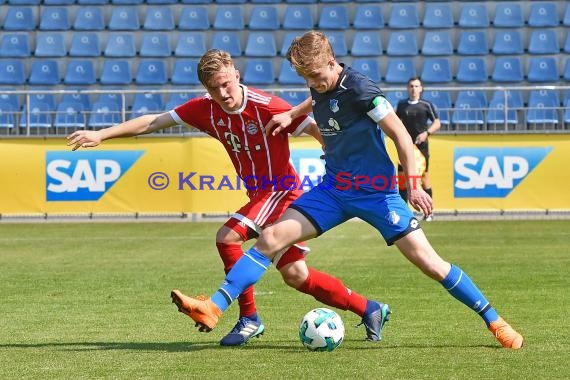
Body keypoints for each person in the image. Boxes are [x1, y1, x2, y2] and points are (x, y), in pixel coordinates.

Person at [172, 32, 524, 350]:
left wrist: (412, 187)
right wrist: (291, 114)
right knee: (271, 238)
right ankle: (214, 307)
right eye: (307, 79)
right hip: (335, 189)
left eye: (316, 76)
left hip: (378, 193)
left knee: (431, 264)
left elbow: (401, 136)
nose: (313, 84)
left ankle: (495, 321)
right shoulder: (319, 83)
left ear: (332, 62)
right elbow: (317, 98)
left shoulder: (362, 90)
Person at [66, 49, 391, 346]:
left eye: (225, 83)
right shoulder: (205, 110)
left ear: (236, 75)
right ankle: (370, 308)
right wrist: (101, 134)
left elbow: (312, 126)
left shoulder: (267, 106)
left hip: (280, 189)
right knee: (296, 276)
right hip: (260, 196)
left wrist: (331, 152)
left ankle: (248, 318)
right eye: (214, 89)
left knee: (227, 237)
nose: (223, 93)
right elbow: (153, 121)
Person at [395, 77, 441, 221]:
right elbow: (395, 123)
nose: (414, 89)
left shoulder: (426, 105)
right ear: (407, 88)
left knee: (423, 179)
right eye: (411, 86)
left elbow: (437, 123)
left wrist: (426, 133)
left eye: (417, 86)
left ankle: (429, 212)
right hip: (405, 148)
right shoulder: (402, 105)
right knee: (403, 180)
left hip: (421, 149)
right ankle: (404, 212)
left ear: (421, 88)